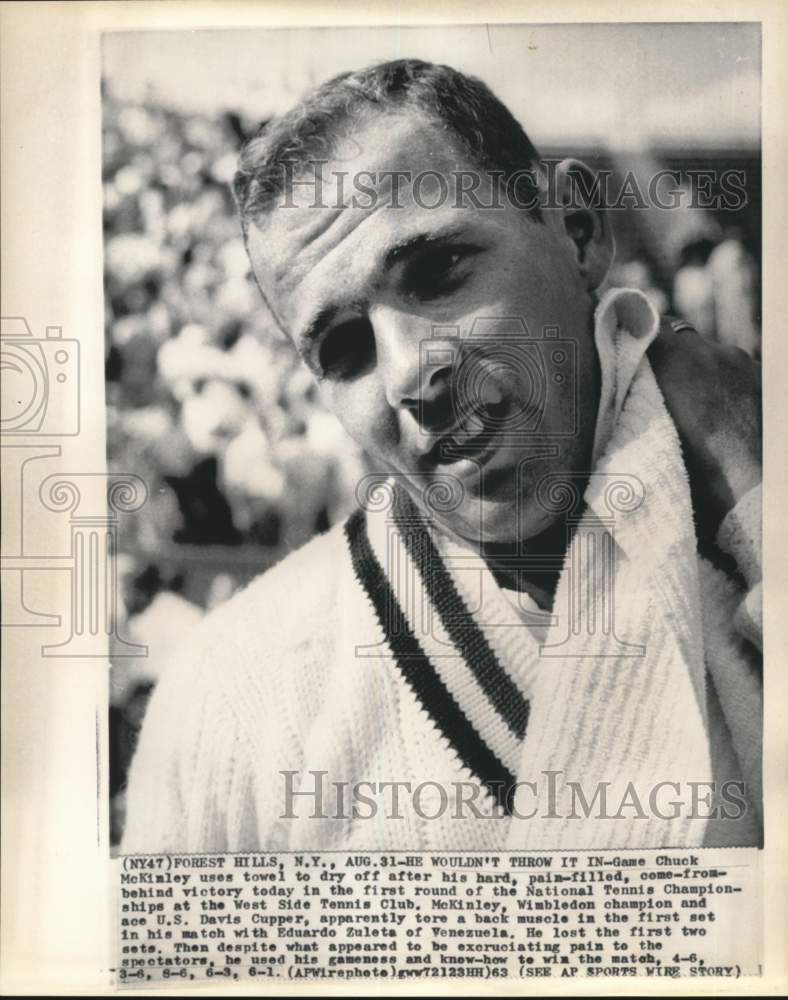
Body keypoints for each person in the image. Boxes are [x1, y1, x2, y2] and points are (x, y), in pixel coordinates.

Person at [122, 59, 762, 853]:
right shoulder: (229, 701)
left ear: (579, 231)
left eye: (438, 272)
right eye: (345, 348)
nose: (406, 374)